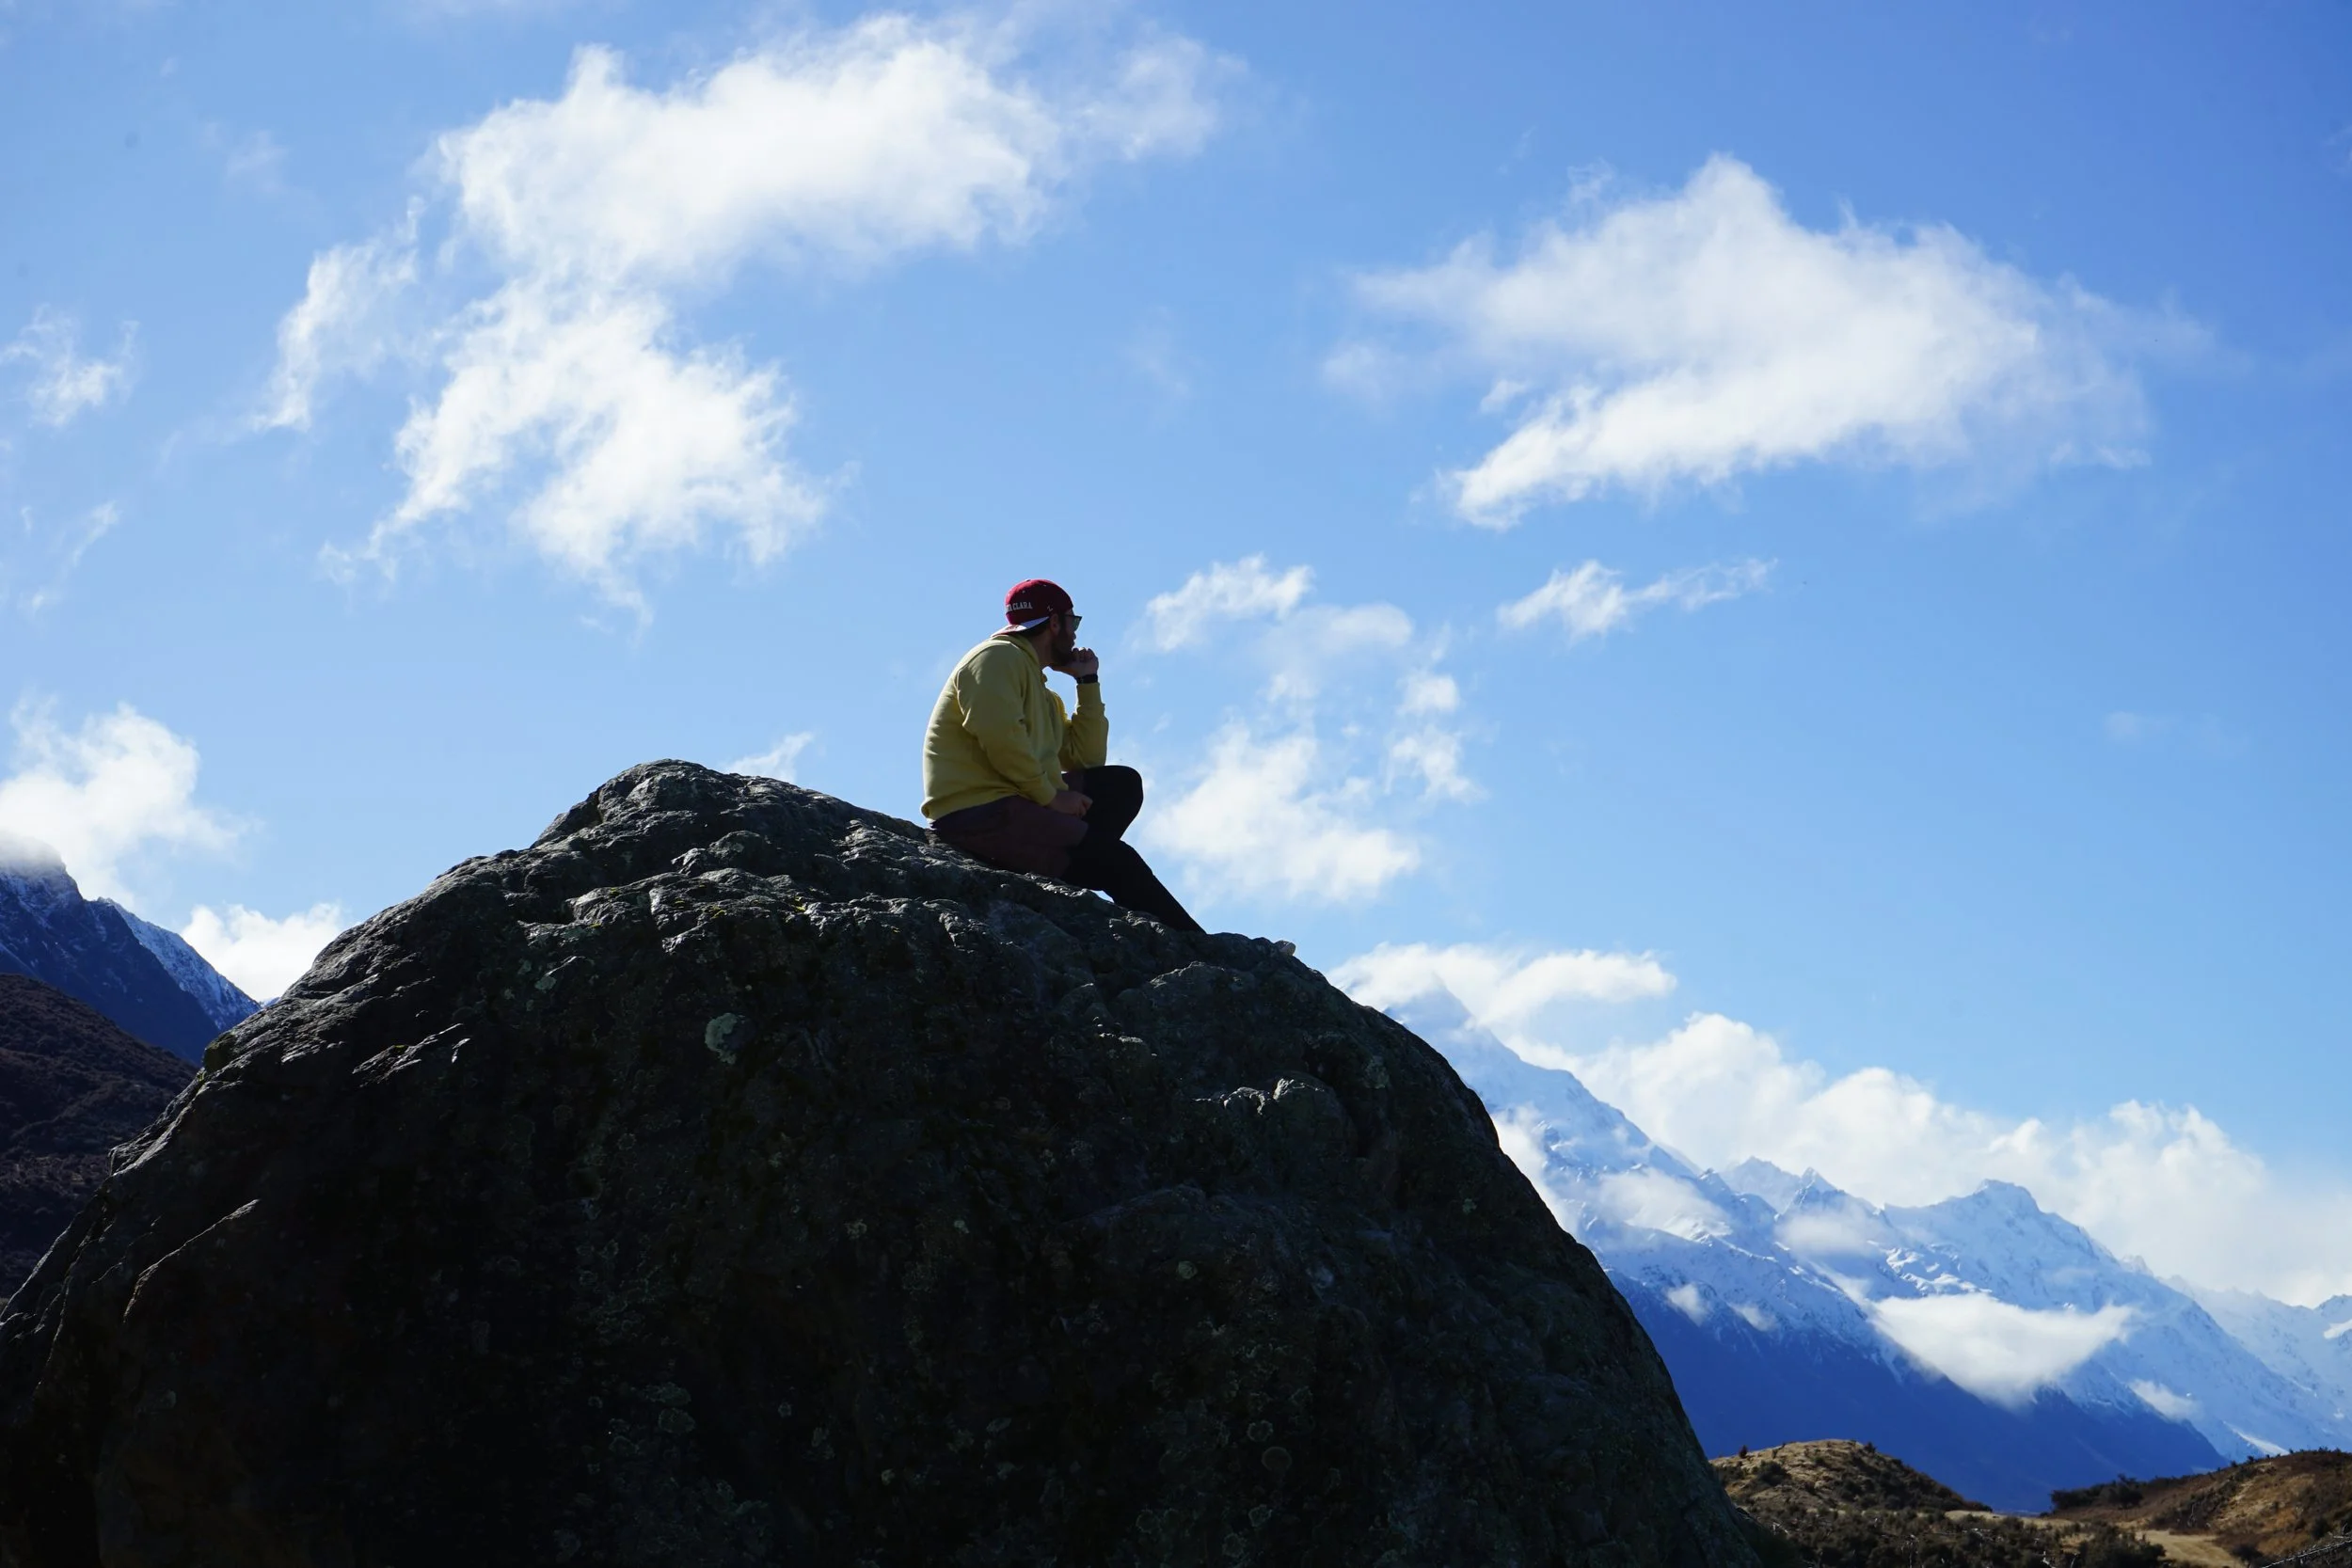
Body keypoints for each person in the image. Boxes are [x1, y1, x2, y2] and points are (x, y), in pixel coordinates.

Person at [923, 579, 1203, 933]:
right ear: (1055, 622)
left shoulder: (1041, 691)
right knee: (1119, 862)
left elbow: (1085, 760)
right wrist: (1051, 797)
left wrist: (1087, 684)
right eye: (1074, 622)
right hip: (977, 815)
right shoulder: (996, 658)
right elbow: (1000, 737)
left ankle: (1063, 862)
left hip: (1013, 805)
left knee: (1120, 785)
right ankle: (1204, 949)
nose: (1074, 634)